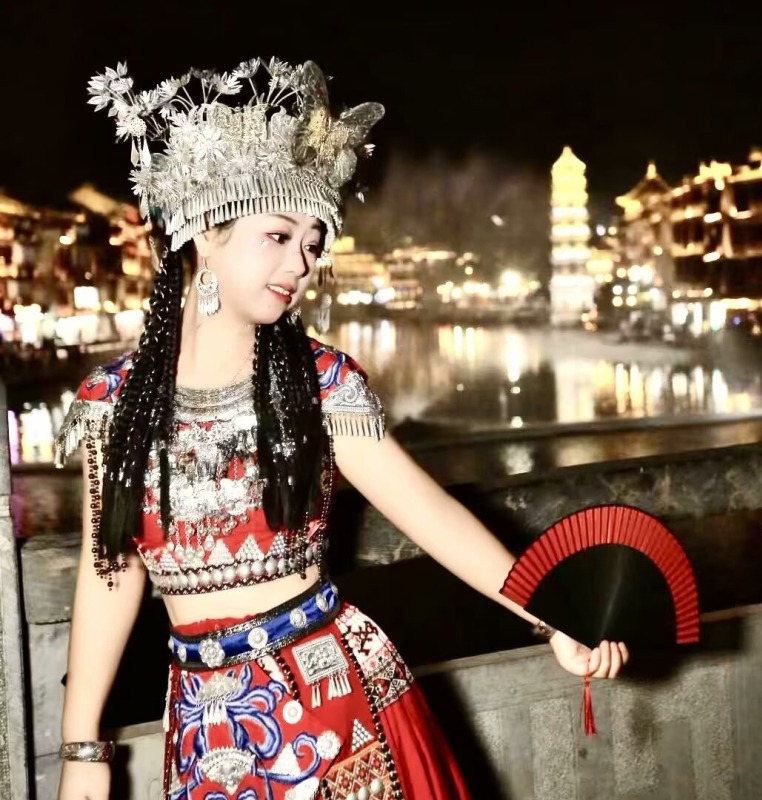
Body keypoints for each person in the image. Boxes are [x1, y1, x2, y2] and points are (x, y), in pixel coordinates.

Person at [55, 56, 628, 800]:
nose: (301, 262)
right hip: (201, 732)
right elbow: (110, 571)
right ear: (203, 232)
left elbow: (430, 514)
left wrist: (553, 619)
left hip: (336, 713)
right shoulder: (113, 404)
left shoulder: (318, 382)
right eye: (278, 235)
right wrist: (83, 748)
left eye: (312, 242)